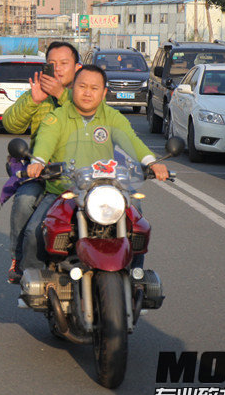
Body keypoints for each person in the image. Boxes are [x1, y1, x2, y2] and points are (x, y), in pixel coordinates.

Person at [21, 64, 169, 278]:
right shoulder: (57, 117)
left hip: (106, 191)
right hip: (63, 192)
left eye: (94, 88)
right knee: (35, 231)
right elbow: (45, 141)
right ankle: (34, 282)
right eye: (82, 86)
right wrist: (37, 161)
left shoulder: (112, 117)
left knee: (135, 223)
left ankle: (135, 276)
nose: (87, 92)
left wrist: (153, 163)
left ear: (104, 92)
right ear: (72, 88)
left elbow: (132, 141)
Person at [1, 41, 80, 282]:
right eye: (52, 64)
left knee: (131, 213)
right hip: (44, 173)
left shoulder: (86, 91)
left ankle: (130, 277)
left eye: (64, 64)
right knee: (25, 201)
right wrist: (33, 101)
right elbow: (10, 124)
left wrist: (60, 94)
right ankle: (21, 261)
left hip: (85, 175)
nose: (57, 69)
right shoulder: (39, 94)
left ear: (76, 67)